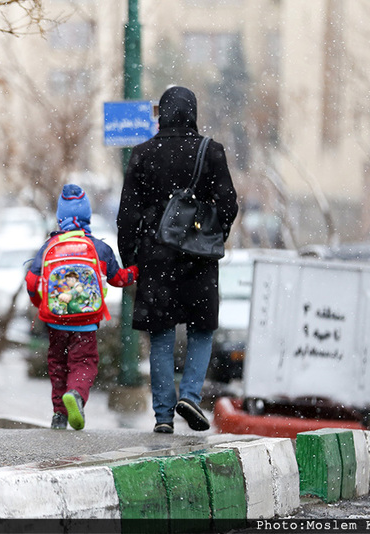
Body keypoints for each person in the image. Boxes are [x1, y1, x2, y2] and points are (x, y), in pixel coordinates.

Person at [116, 86, 238, 434]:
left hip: (157, 258)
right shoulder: (210, 151)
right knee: (202, 329)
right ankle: (190, 396)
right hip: (199, 258)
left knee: (161, 335)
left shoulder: (142, 153)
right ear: (193, 112)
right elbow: (229, 203)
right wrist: (211, 235)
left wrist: (131, 259)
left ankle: (164, 416)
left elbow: (127, 215)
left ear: (163, 114)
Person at [25, 184, 138, 431]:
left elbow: (32, 282)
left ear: (60, 218)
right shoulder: (98, 248)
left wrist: (40, 304)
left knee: (57, 364)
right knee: (84, 362)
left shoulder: (48, 248)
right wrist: (135, 271)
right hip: (86, 321)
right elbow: (118, 278)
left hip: (56, 320)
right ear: (87, 217)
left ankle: (58, 414)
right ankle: (76, 394)